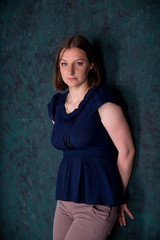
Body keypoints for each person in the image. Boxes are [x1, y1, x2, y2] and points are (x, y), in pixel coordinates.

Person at [48, 35, 135, 240]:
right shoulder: (56, 106)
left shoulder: (102, 102)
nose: (70, 71)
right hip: (64, 201)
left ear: (91, 66)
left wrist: (117, 195)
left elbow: (127, 151)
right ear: (59, 68)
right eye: (64, 64)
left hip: (96, 203)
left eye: (78, 63)